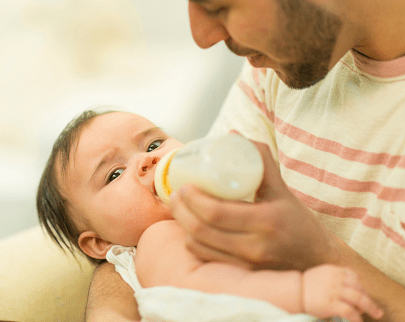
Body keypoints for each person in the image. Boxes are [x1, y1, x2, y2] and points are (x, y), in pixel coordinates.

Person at [86, 0, 405, 320]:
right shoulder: (286, 59)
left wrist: (322, 257)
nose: (203, 36)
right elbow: (145, 236)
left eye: (217, 6)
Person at [36, 109, 384, 322]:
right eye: (114, 173)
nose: (147, 161)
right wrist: (301, 289)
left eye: (153, 144)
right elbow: (204, 287)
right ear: (99, 242)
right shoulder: (159, 238)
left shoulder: (222, 207)